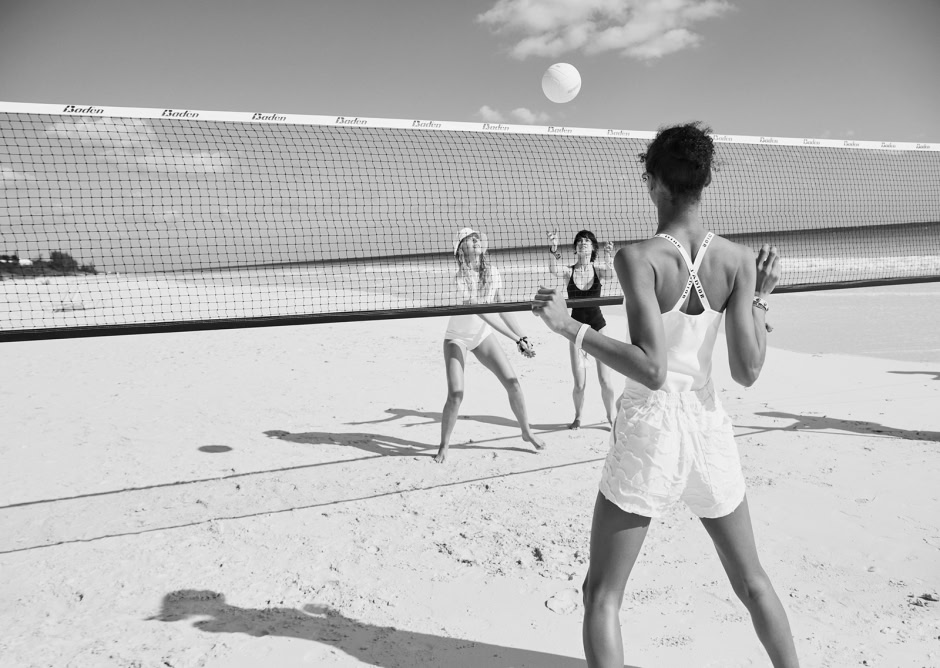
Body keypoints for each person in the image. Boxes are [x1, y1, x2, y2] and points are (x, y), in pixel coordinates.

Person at [532, 123, 799, 667]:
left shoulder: (639, 258)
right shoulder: (739, 260)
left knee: (601, 596)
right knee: (752, 583)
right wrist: (760, 302)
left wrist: (569, 329)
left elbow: (653, 370)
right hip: (708, 426)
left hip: (652, 429)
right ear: (704, 183)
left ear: (653, 182)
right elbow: (747, 371)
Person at [437, 228, 547, 464]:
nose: (475, 240)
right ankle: (444, 445)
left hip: (481, 335)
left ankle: (526, 431)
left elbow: (501, 308)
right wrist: (514, 339)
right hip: (457, 337)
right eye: (469, 239)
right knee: (456, 394)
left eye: (476, 237)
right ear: (461, 250)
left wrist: (523, 335)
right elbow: (481, 311)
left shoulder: (494, 272)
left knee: (513, 384)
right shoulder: (460, 277)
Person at [547, 229, 619, 429]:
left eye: (587, 241)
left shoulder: (599, 271)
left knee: (605, 380)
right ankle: (578, 416)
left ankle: (611, 416)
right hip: (575, 330)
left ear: (593, 248)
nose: (582, 243)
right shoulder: (569, 271)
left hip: (598, 329)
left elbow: (611, 274)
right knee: (579, 384)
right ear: (575, 249)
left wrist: (608, 256)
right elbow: (553, 269)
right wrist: (554, 249)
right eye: (579, 241)